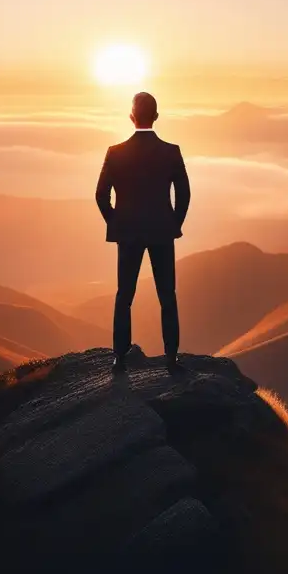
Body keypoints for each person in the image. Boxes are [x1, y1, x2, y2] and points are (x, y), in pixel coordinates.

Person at [95, 92, 190, 373]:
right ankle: (171, 357)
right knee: (167, 294)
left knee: (124, 294)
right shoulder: (171, 151)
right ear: (156, 117)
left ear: (131, 117)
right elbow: (184, 194)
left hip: (128, 232)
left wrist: (116, 223)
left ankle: (119, 357)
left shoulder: (115, 152)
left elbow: (101, 195)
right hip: (161, 230)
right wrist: (174, 224)